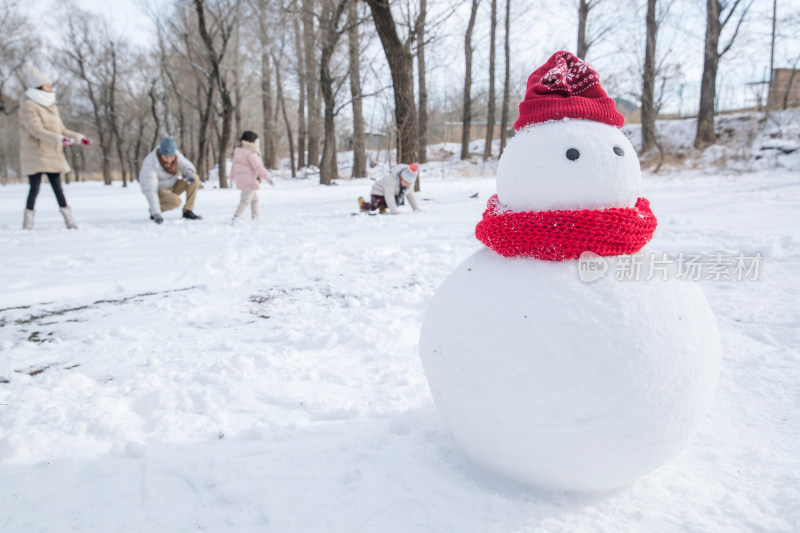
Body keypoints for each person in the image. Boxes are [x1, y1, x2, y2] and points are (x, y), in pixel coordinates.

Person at [19, 67, 91, 230]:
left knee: (58, 188)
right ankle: (28, 221)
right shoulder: (28, 105)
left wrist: (78, 137)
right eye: (47, 86)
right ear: (38, 87)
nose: (51, 88)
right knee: (34, 187)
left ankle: (69, 220)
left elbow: (61, 129)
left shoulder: (51, 105)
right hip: (36, 152)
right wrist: (60, 139)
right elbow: (35, 130)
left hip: (53, 152)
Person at [139, 136, 202, 223]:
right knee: (176, 201)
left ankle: (188, 211)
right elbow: (151, 190)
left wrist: (189, 173)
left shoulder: (176, 155)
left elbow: (186, 164)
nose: (169, 160)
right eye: (166, 157)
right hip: (159, 190)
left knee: (194, 177)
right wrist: (156, 213)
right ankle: (155, 210)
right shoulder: (150, 163)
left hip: (173, 185)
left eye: (171, 157)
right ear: (161, 154)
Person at [229, 131, 273, 224]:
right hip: (249, 179)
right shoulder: (251, 153)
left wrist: (232, 177)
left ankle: (255, 214)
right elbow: (258, 167)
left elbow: (234, 166)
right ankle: (237, 216)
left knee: (254, 198)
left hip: (241, 179)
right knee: (245, 200)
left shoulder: (238, 151)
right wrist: (267, 177)